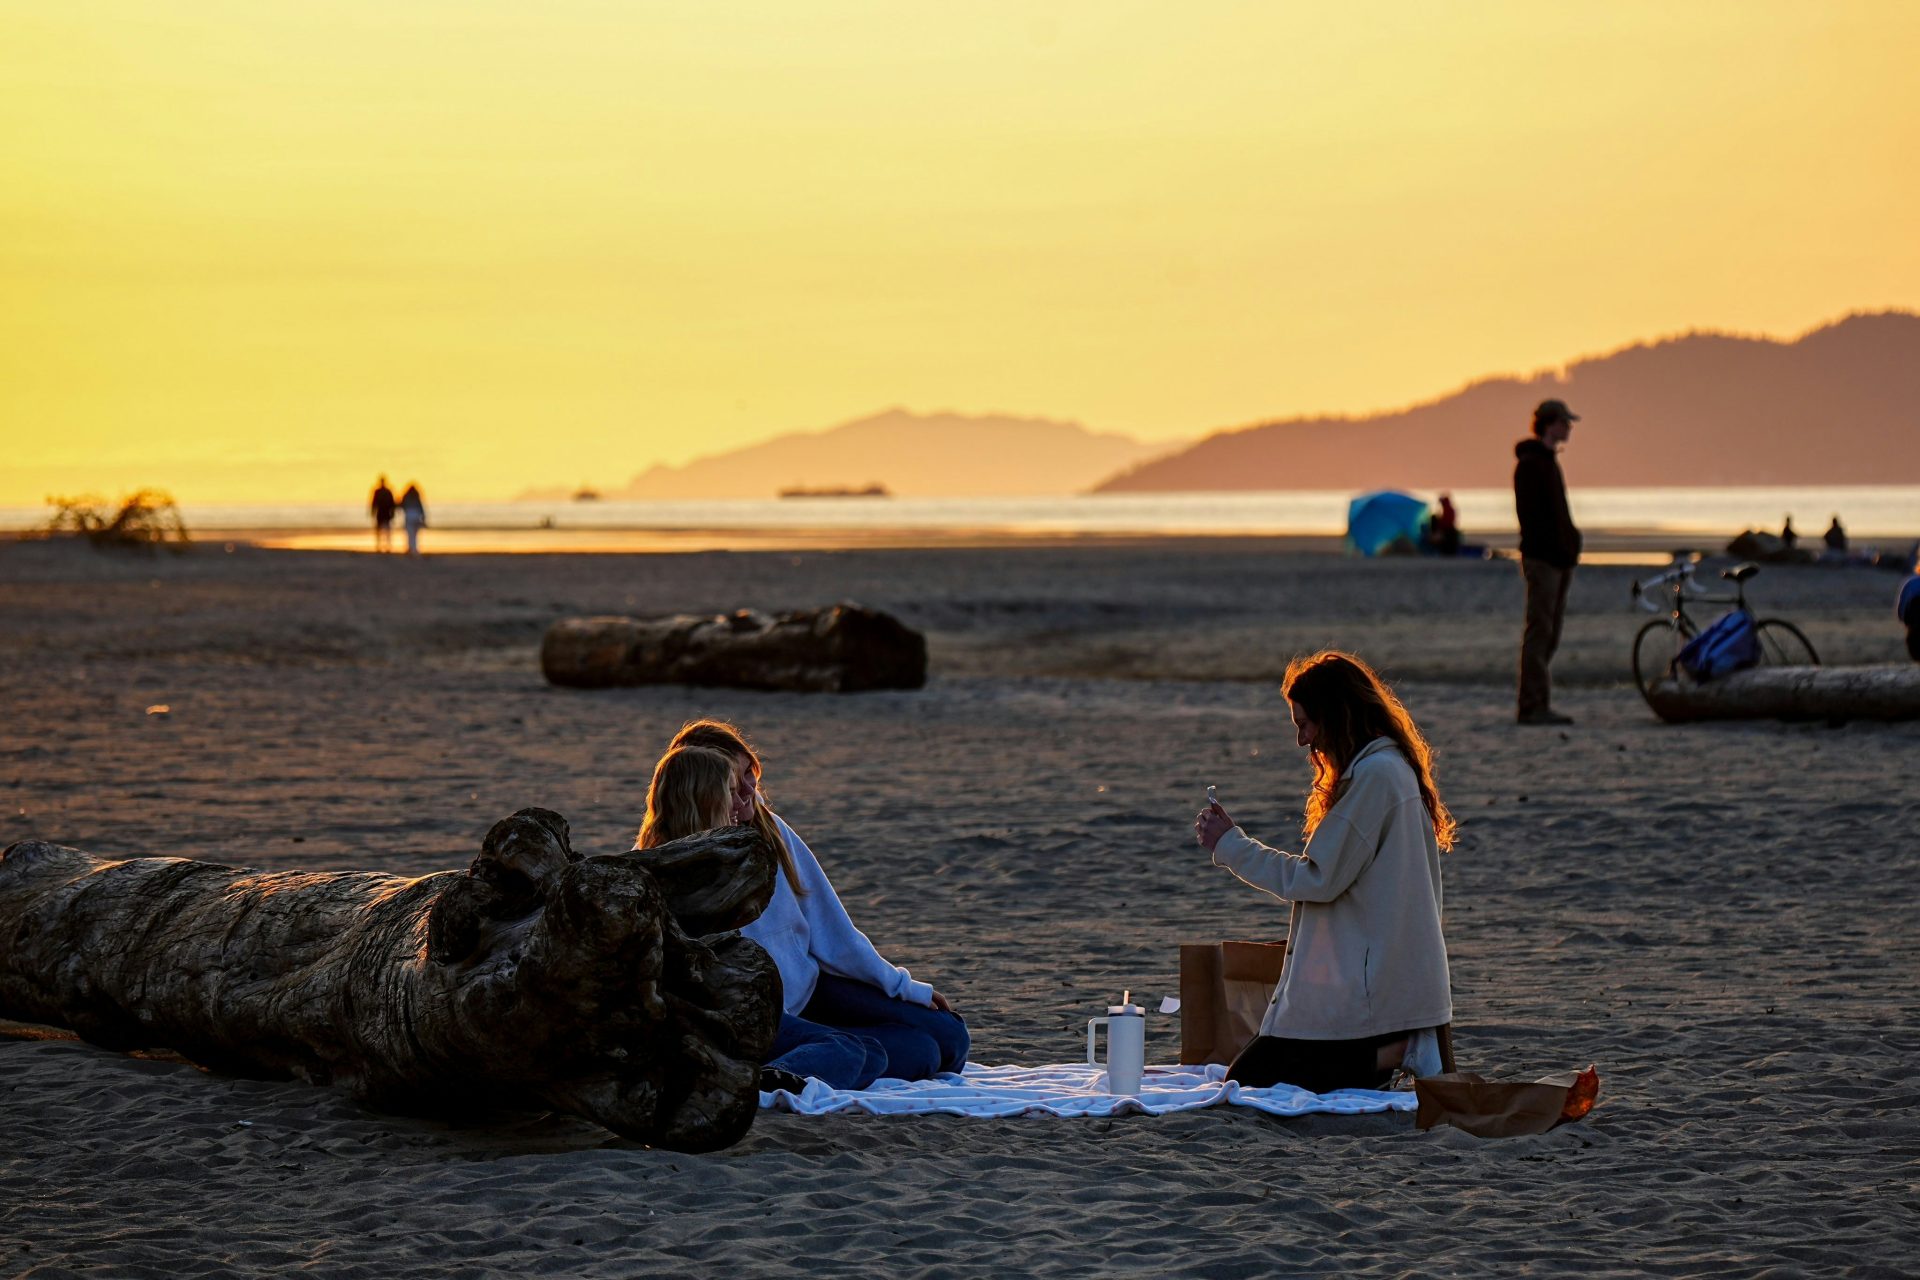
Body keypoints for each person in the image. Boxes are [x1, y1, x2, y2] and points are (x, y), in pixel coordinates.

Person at [648, 720, 969, 1089]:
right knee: (919, 1053)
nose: (751, 791)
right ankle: (794, 1066)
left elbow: (834, 933)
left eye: (751, 775)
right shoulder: (665, 866)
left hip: (808, 990)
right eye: (735, 784)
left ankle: (828, 1051)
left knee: (950, 1037)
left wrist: (903, 987)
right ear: (708, 790)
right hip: (760, 1010)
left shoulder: (771, 831)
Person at [1192, 651, 1454, 1093]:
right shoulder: (1385, 770)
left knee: (1251, 1081)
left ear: (1336, 717)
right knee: (1267, 1075)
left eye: (1305, 723)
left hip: (1369, 990)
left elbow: (1316, 879)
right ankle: (1395, 1047)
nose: (1302, 740)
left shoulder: (1376, 777)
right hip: (1378, 985)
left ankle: (1403, 1046)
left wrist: (1231, 845)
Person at [634, 744, 884, 1093]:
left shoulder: (721, 852)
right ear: (706, 799)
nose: (741, 803)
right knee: (851, 1049)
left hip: (750, 1004)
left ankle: (770, 1070)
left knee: (872, 1051)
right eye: (730, 793)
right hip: (721, 1016)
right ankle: (763, 1081)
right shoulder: (668, 870)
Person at [1513, 398, 1581, 725]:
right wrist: (1555, 549)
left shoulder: (1548, 461)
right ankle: (1531, 705)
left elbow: (1558, 514)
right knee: (1540, 631)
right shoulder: (1531, 464)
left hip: (1558, 559)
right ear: (1550, 423)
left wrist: (1571, 544)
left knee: (1550, 632)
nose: (1568, 427)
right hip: (1543, 560)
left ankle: (1539, 701)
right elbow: (1532, 519)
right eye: (1564, 422)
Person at [399, 482, 427, 556]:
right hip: (416, 514)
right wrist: (423, 516)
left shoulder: (406, 496)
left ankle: (411, 548)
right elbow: (420, 506)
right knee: (415, 534)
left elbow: (402, 505)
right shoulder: (416, 496)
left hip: (409, 514)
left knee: (410, 533)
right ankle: (414, 549)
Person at [369, 476, 396, 553]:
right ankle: (383, 546)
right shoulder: (386, 491)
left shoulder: (380, 491)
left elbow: (374, 503)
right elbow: (392, 503)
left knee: (382, 531)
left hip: (382, 513)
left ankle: (382, 546)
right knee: (385, 531)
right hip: (383, 513)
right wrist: (393, 512)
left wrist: (372, 512)